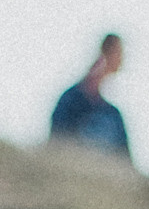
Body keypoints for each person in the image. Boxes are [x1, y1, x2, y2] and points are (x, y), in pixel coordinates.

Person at [46, 32, 132, 160]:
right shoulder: (71, 101)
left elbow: (125, 162)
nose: (122, 60)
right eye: (118, 53)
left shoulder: (113, 115)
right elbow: (55, 144)